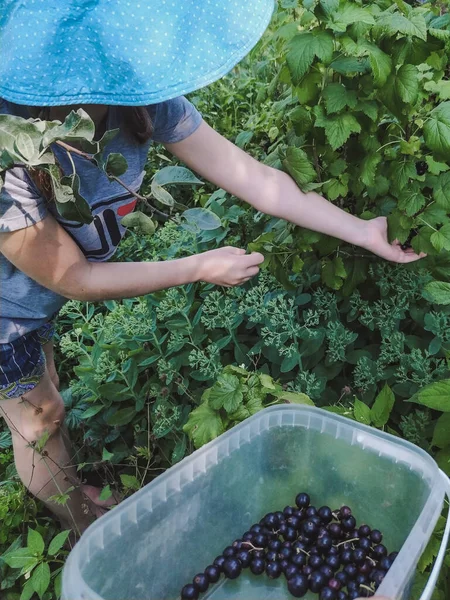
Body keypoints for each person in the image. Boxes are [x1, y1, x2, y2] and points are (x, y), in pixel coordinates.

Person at [0, 0, 425, 535]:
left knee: (43, 394)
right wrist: (199, 265)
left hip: (27, 301)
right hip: (4, 315)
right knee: (39, 418)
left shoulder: (139, 100)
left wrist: (362, 231)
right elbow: (74, 278)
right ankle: (85, 525)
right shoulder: (8, 152)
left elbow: (253, 177)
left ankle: (63, 471)